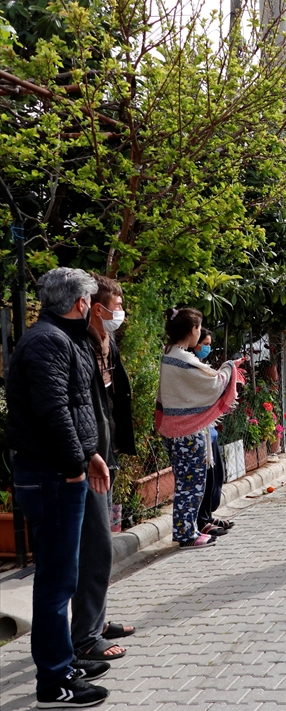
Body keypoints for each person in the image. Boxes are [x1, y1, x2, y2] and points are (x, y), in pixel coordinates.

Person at [7, 267, 112, 707]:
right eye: (90, 299)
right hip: (52, 477)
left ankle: (63, 661)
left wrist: (88, 454)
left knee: (62, 578)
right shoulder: (48, 340)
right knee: (55, 583)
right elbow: (53, 411)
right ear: (80, 303)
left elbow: (73, 406)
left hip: (62, 471)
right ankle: (54, 682)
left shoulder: (57, 337)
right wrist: (74, 463)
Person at [72, 275, 136, 664]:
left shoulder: (105, 342)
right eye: (117, 304)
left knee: (102, 544)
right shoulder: (78, 345)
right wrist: (88, 452)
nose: (120, 312)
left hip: (105, 454)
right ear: (96, 308)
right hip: (89, 458)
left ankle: (94, 621)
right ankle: (85, 638)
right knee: (95, 548)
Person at [155, 309, 245, 549]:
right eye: (198, 328)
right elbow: (213, 384)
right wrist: (229, 367)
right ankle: (187, 535)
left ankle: (190, 530)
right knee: (191, 486)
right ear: (191, 330)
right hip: (188, 433)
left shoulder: (171, 354)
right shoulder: (182, 359)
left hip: (177, 431)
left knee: (187, 485)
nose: (199, 332)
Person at [190, 329, 230, 537]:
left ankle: (208, 516)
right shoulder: (189, 366)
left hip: (210, 431)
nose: (207, 348)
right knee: (203, 480)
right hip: (198, 432)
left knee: (215, 478)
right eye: (204, 343)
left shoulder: (200, 366)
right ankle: (202, 520)